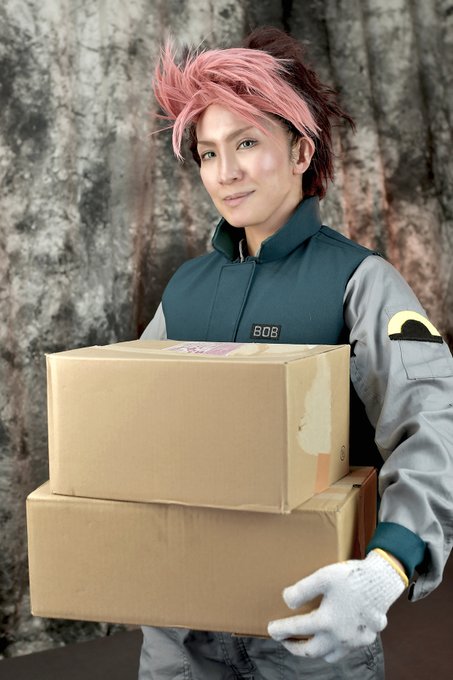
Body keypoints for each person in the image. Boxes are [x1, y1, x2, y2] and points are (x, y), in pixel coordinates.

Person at [138, 27, 453, 679]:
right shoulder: (183, 290)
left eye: (246, 143)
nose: (225, 172)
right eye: (207, 153)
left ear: (300, 150)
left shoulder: (361, 282)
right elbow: (129, 431)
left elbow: (435, 426)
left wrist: (384, 570)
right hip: (179, 629)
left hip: (310, 623)